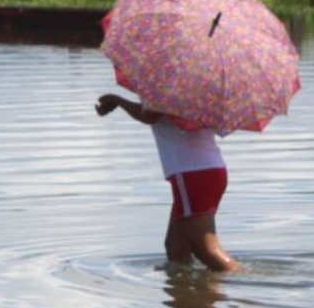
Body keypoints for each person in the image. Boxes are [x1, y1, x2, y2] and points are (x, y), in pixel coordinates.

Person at [95, 93, 240, 272]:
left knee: (205, 249)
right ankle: (188, 288)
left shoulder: (168, 87)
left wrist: (116, 100)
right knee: (176, 248)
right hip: (211, 171)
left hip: (191, 174)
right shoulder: (199, 88)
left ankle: (242, 280)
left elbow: (148, 115)